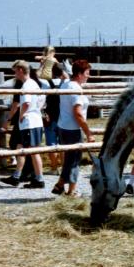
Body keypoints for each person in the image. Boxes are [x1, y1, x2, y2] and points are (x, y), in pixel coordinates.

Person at [52, 59, 95, 197]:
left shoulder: (66, 84)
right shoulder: (76, 88)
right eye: (87, 73)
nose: (88, 76)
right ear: (79, 74)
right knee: (75, 161)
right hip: (73, 129)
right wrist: (88, 133)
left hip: (63, 126)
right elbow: (78, 113)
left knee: (69, 160)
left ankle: (60, 184)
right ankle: (71, 191)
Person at [0, 60, 45, 188]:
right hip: (35, 120)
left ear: (20, 70)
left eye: (15, 71)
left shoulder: (26, 86)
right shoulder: (34, 84)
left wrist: (21, 115)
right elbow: (42, 100)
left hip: (29, 122)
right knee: (21, 147)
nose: (14, 74)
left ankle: (39, 179)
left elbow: (25, 103)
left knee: (33, 151)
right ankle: (17, 176)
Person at [42, 62, 68, 174]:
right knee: (62, 143)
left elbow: (42, 100)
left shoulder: (46, 84)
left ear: (52, 72)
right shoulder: (66, 83)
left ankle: (53, 167)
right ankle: (63, 167)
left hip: (50, 117)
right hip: (62, 117)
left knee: (51, 143)